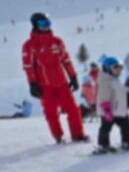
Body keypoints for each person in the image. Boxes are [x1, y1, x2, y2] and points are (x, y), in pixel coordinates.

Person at [21, 12, 88, 143]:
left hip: (62, 83)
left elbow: (66, 60)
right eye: (42, 24)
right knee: (51, 113)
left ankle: (78, 134)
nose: (46, 26)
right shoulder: (29, 46)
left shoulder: (57, 42)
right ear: (35, 25)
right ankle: (58, 136)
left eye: (48, 23)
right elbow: (28, 67)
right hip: (45, 86)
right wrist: (32, 84)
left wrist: (73, 77)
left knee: (73, 110)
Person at [94, 56, 129, 153]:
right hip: (109, 111)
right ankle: (103, 145)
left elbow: (119, 92)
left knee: (126, 126)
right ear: (107, 68)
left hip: (119, 110)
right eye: (115, 67)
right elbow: (104, 97)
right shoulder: (105, 81)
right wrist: (107, 111)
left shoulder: (114, 79)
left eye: (120, 67)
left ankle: (127, 142)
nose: (119, 70)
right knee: (106, 128)